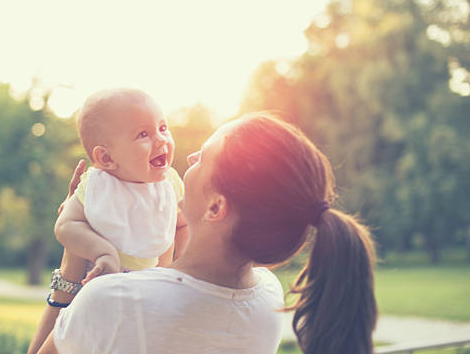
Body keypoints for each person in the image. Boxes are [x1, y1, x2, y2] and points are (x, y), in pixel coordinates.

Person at [29, 112, 377, 354]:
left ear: (215, 208)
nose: (190, 156)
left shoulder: (111, 301)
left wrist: (75, 252)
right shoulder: (267, 298)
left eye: (203, 158)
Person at [54, 88, 186, 280]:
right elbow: (65, 225)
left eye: (163, 128)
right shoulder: (98, 186)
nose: (160, 139)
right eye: (143, 134)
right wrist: (102, 253)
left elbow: (184, 225)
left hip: (151, 282)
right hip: (98, 279)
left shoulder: (170, 184)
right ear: (107, 158)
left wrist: (180, 262)